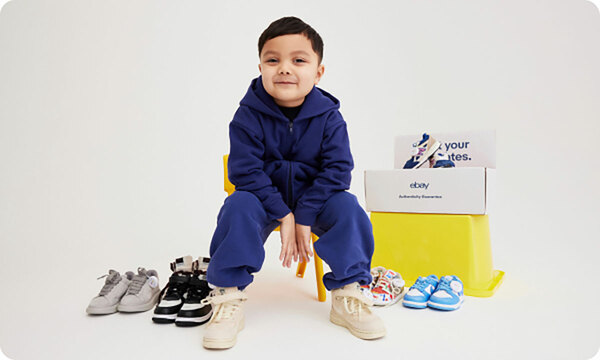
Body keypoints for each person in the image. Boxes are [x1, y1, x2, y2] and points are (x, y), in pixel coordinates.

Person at [202, 16, 385, 350]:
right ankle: (227, 296)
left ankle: (349, 293)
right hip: (262, 199)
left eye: (298, 60)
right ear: (260, 67)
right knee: (237, 205)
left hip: (315, 200)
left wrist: (305, 213)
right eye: (273, 60)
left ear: (318, 72)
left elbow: (338, 169)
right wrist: (283, 214)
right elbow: (244, 171)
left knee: (347, 207)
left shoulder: (330, 117)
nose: (284, 68)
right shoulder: (247, 115)